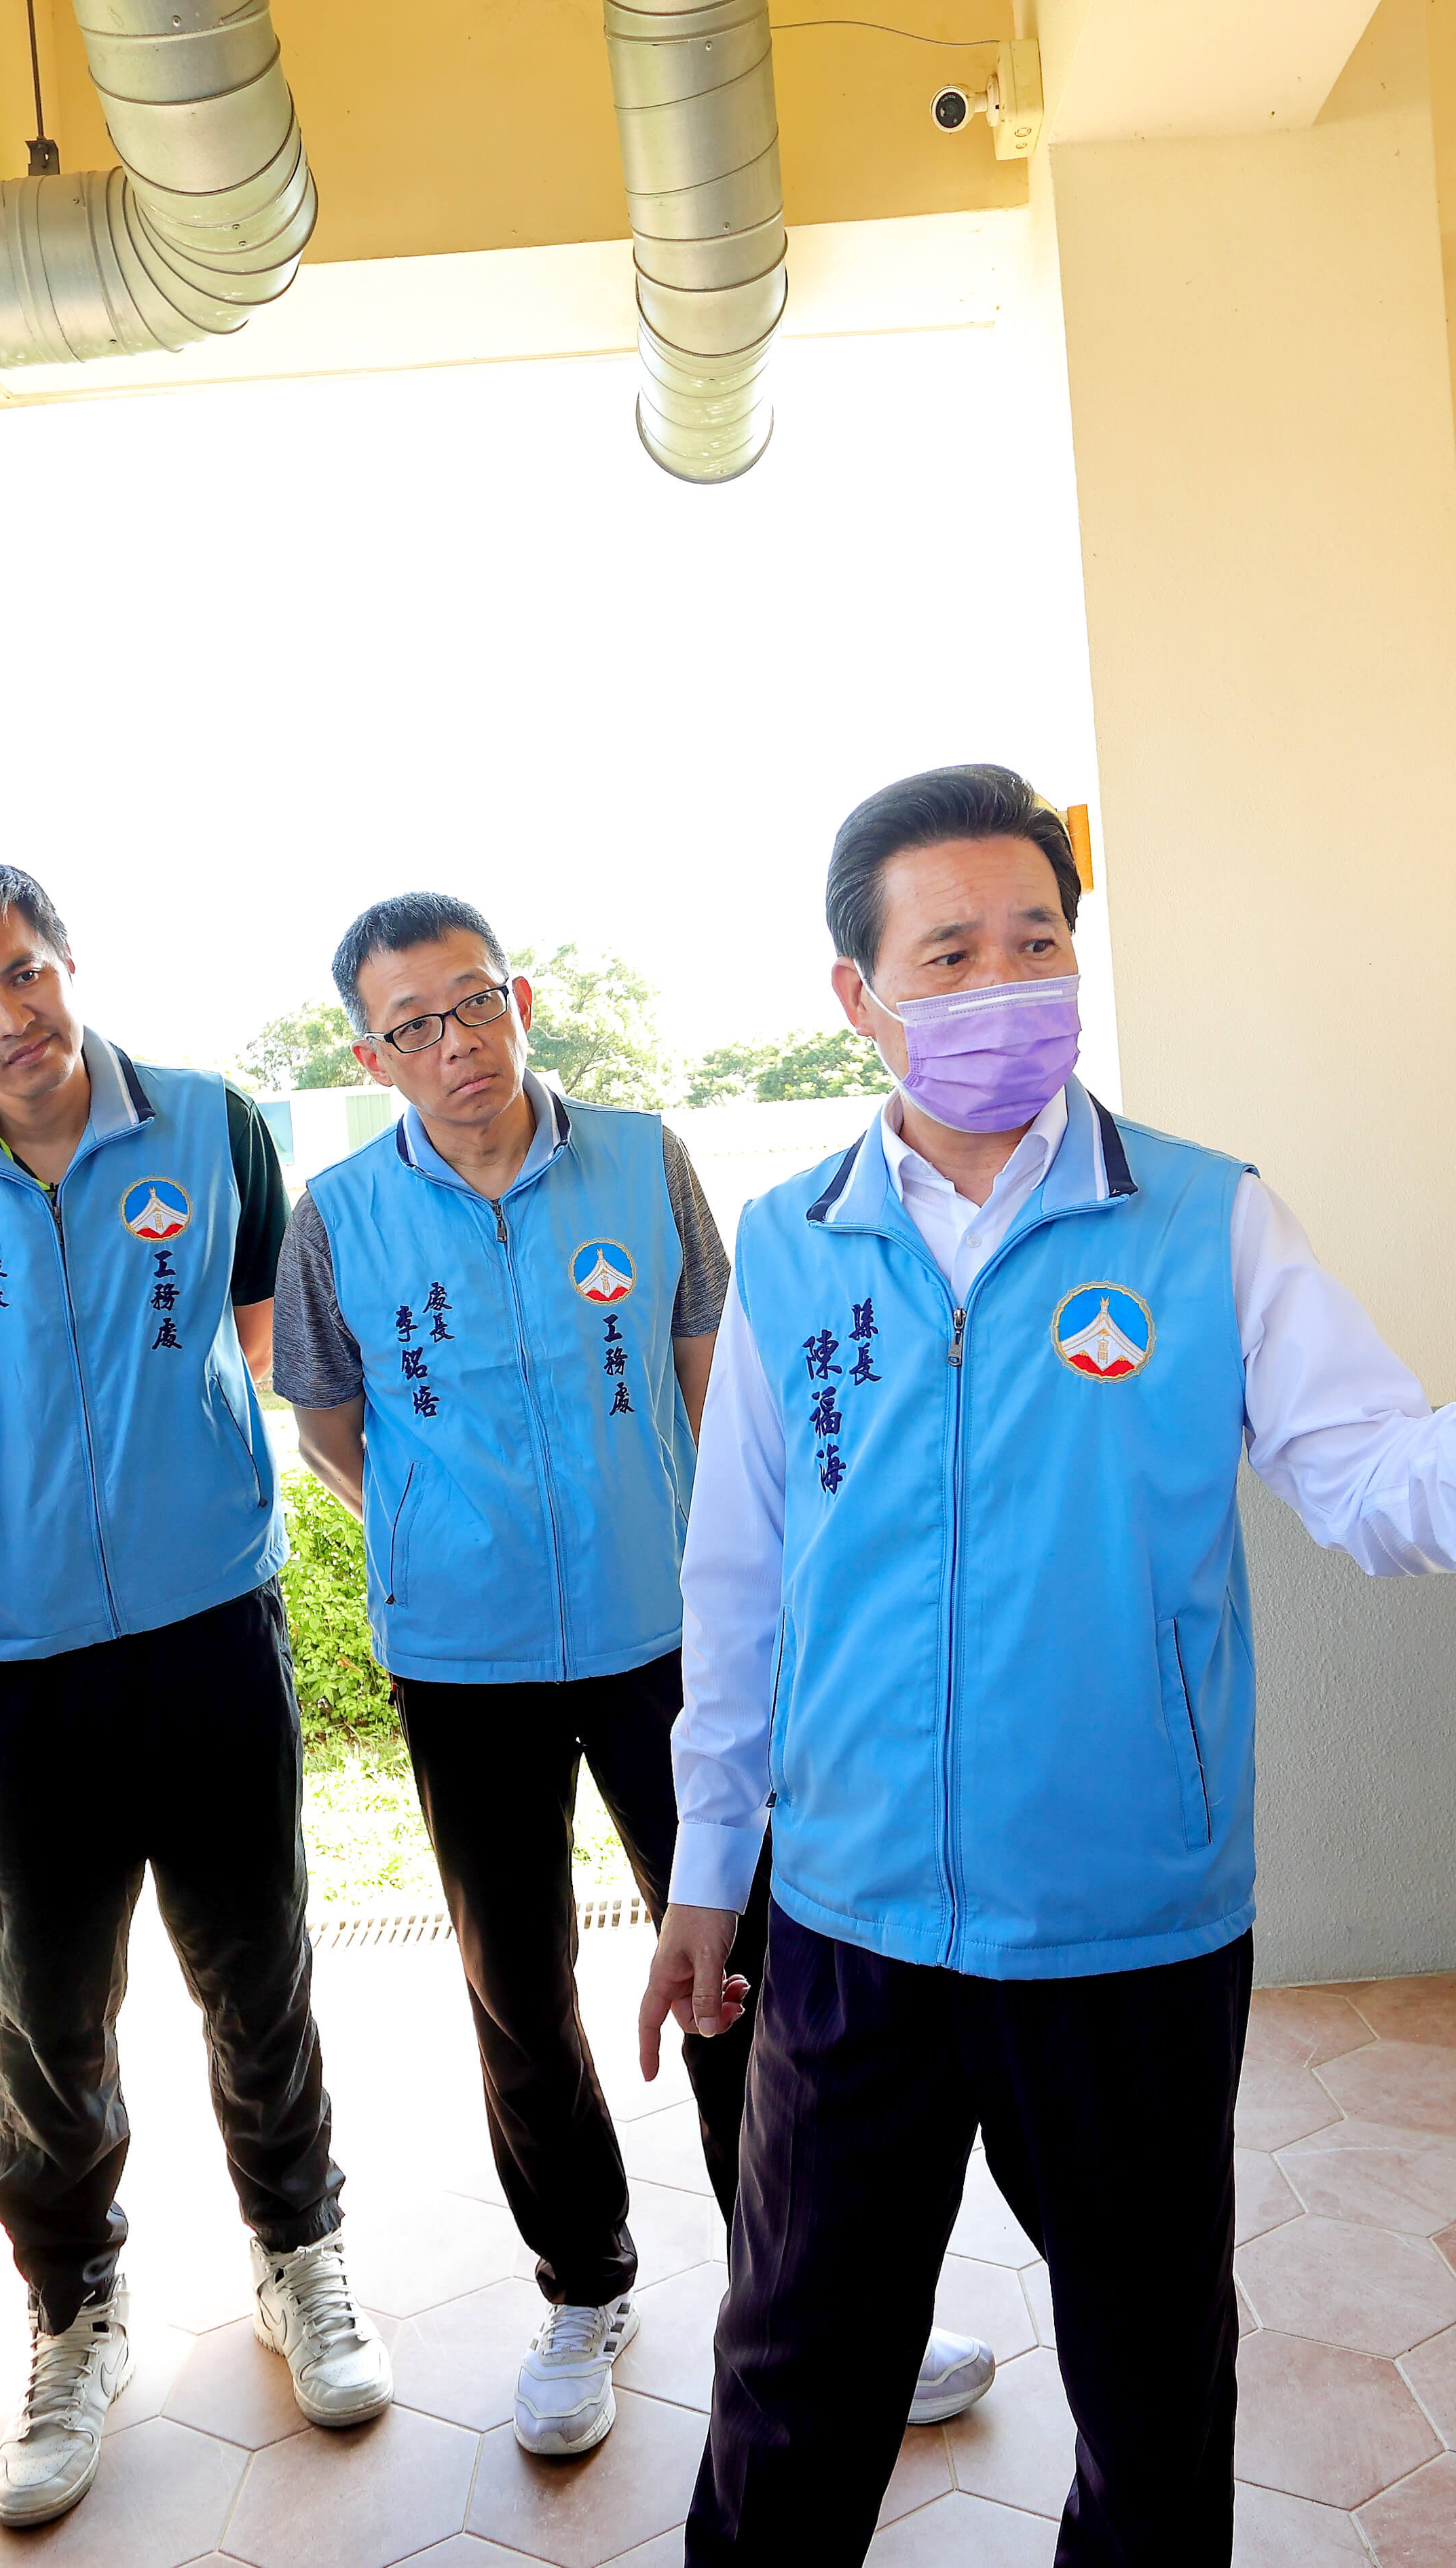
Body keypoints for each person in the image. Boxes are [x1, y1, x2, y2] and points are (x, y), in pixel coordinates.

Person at [641, 766, 1456, 2566]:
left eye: (1036, 939)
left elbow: (1370, 1481)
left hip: (1126, 1927)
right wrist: (714, 1867)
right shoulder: (795, 1246)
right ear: (858, 997)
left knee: (1147, 2383)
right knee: (793, 2378)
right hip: (854, 1918)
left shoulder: (1202, 1220)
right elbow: (739, 1584)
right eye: (947, 951)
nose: (1003, 983)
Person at [273, 894, 1000, 2459]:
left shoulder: (637, 1158)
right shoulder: (335, 1211)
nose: (456, 1044)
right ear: (369, 1052)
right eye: (413, 1024)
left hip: (666, 1639)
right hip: (460, 1662)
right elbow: (331, 1429)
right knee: (513, 1983)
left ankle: (799, 2290)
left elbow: (714, 1388)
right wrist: (439, 1537)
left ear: (519, 996)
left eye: (475, 1003)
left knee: (735, 1958)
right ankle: (581, 2282)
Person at [0, 858, 381, 2532]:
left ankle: (301, 2256)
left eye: (23, 973)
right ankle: (73, 2310)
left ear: (67, 959)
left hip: (213, 1625)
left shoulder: (215, 1125)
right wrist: (41, 1529)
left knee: (254, 1970)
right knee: (46, 2013)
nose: (11, 1020)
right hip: (15, 1662)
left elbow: (266, 1342)